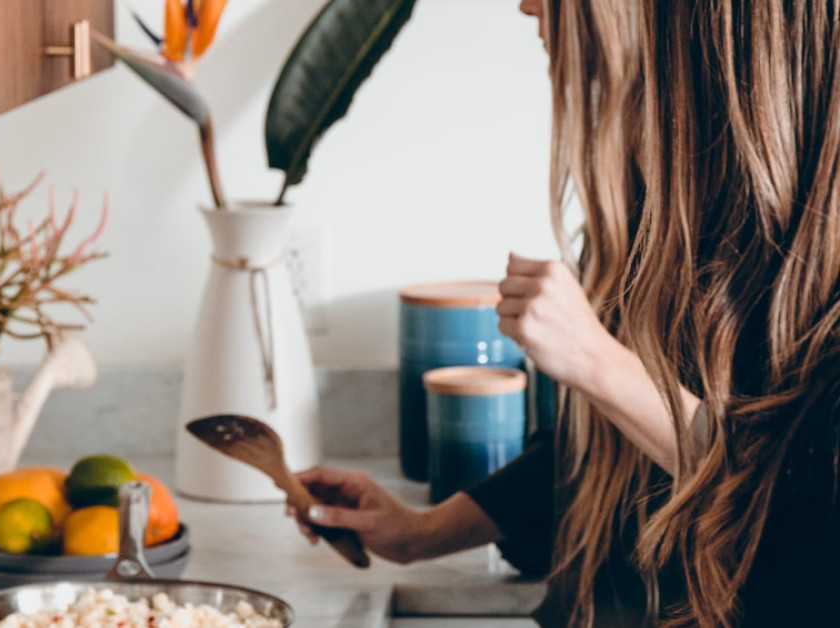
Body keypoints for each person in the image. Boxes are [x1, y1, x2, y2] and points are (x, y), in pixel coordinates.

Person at [289, 1, 840, 626]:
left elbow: (799, 525)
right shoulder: (659, 213)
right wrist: (421, 534)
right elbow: (599, 455)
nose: (525, 4)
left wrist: (599, 365)